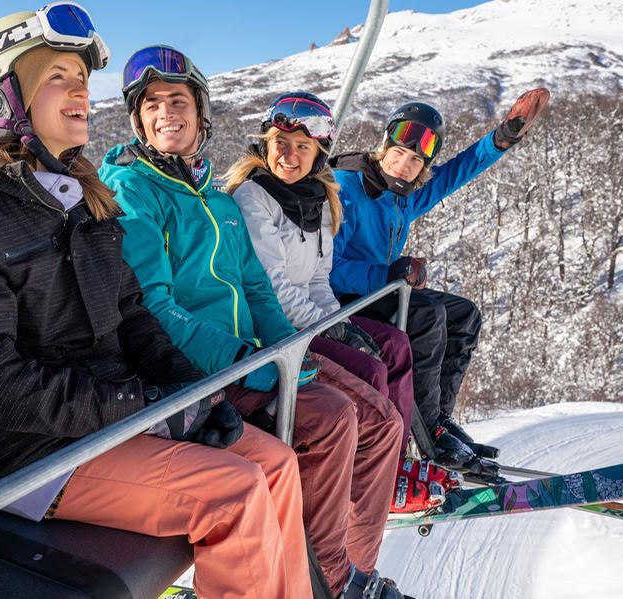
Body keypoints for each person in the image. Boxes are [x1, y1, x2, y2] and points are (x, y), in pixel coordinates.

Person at [0, 6, 310, 597]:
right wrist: (143, 406)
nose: (82, 93)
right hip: (34, 455)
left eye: (83, 80)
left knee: (273, 463)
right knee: (233, 493)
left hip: (108, 426)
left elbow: (136, 315)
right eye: (59, 76)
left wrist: (194, 392)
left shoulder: (84, 204)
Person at [100, 46, 405, 599]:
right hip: (199, 369)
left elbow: (260, 289)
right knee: (335, 419)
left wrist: (289, 353)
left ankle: (347, 565)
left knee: (378, 418)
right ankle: (331, 580)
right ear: (138, 120)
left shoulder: (213, 200)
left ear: (201, 114)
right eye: (152, 104)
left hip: (251, 356)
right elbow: (155, 307)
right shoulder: (135, 191)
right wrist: (251, 365)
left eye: (178, 100)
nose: (166, 111)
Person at [329, 90, 550, 475]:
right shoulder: (348, 188)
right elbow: (324, 267)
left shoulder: (401, 197)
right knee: (428, 314)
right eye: (397, 153)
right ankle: (428, 432)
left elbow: (454, 174)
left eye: (415, 160)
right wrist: (386, 274)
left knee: (464, 315)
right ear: (383, 148)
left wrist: (501, 140)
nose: (403, 165)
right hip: (341, 297)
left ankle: (440, 418)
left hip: (380, 290)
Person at [226, 92, 416, 452]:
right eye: (280, 143)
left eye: (302, 146)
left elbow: (317, 280)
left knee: (393, 345)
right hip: (275, 324)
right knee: (369, 370)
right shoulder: (253, 196)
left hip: (307, 319)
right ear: (266, 145)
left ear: (317, 155)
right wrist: (332, 328)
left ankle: (398, 458)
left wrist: (340, 323)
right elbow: (274, 288)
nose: (288, 155)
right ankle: (368, 471)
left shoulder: (320, 202)